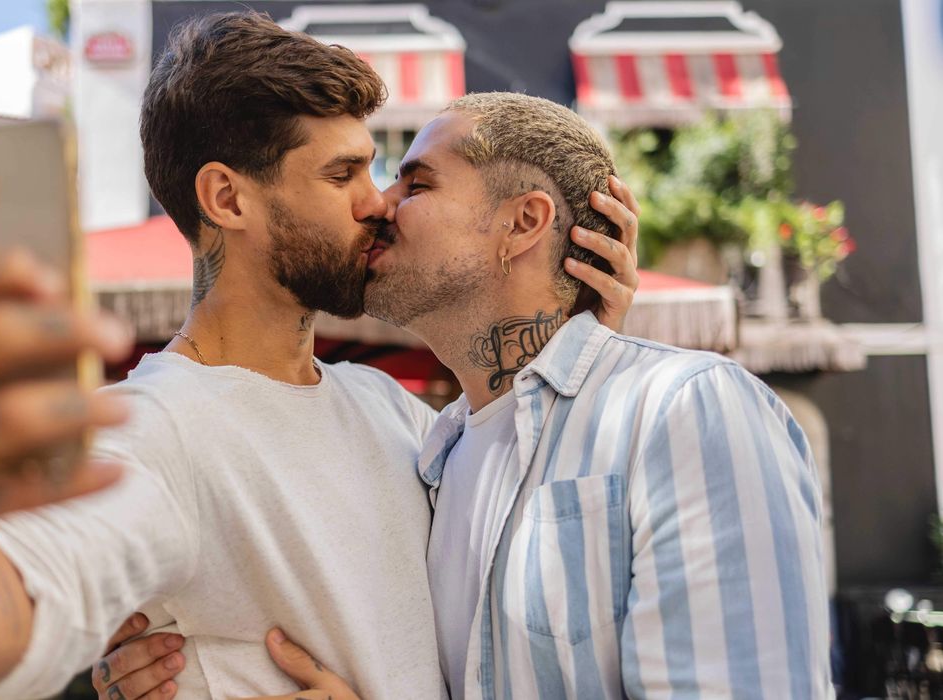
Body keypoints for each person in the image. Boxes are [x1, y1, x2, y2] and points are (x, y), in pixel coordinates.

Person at [0, 14, 640, 700]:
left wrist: (576, 328)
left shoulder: (384, 407)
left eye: (375, 169)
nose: (377, 201)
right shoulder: (154, 430)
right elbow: (10, 616)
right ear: (227, 197)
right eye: (343, 173)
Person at [112, 93, 832, 698]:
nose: (378, 205)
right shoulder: (427, 453)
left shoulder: (683, 410)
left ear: (523, 222)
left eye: (415, 183)